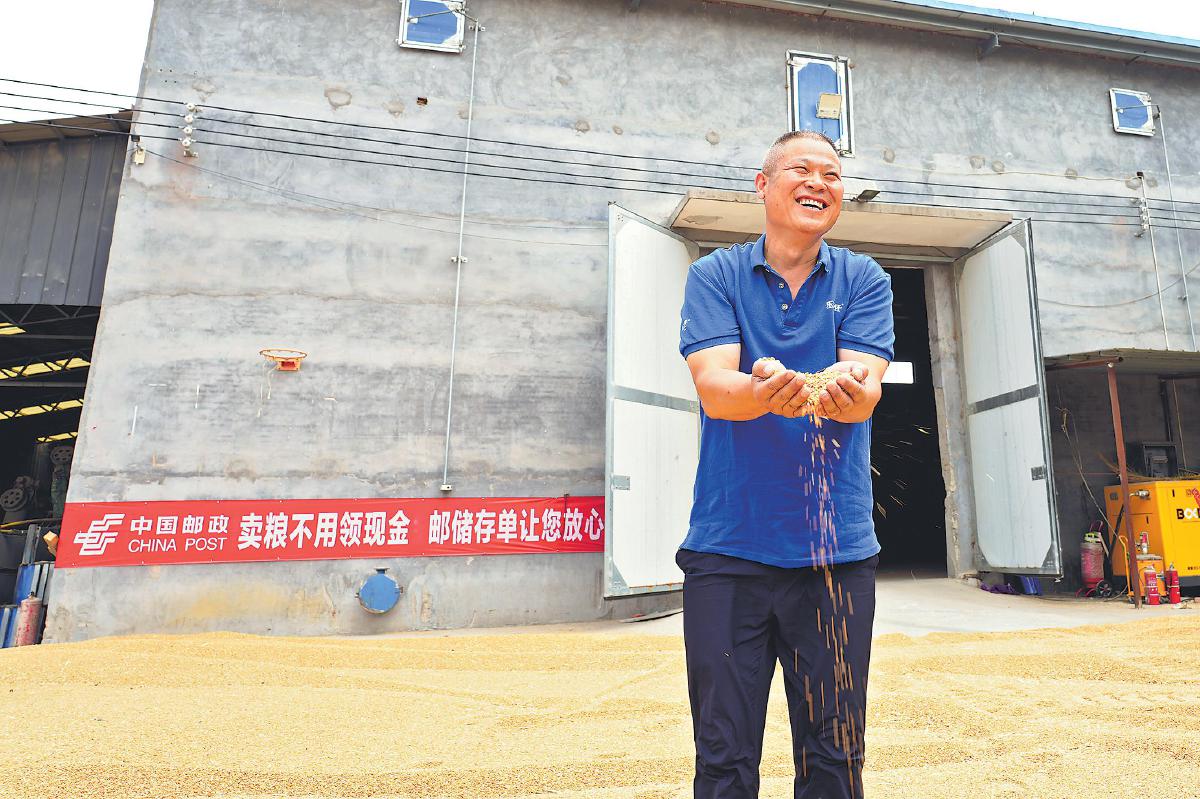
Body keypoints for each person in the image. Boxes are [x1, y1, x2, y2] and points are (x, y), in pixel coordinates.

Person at [676, 129, 895, 799]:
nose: (818, 182)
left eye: (832, 174)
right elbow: (716, 389)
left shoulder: (864, 278)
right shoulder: (716, 275)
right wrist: (763, 390)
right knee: (723, 754)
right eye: (801, 168)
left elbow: (865, 392)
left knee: (835, 754)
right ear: (763, 183)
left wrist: (847, 391)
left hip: (834, 555)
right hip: (728, 549)